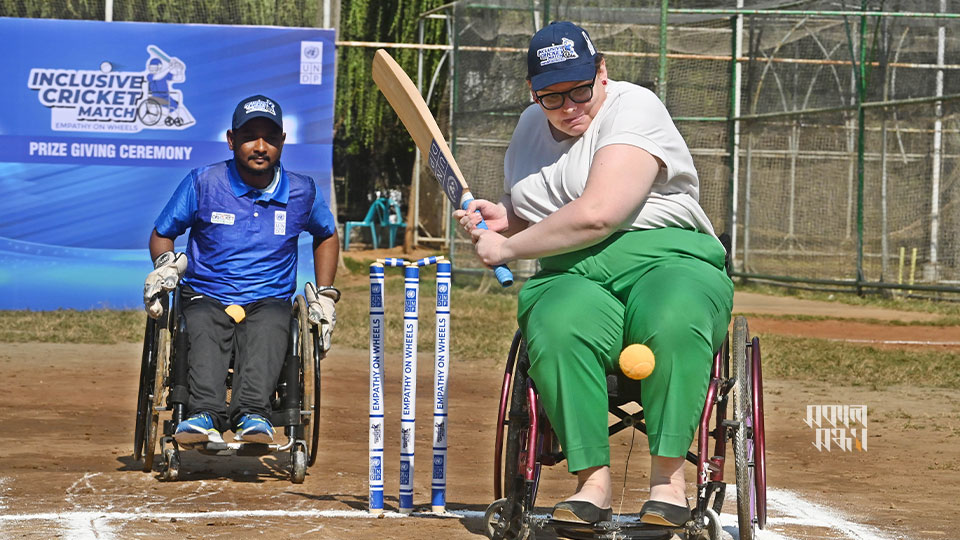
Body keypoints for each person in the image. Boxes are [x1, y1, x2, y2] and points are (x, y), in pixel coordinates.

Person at [455, 22, 733, 527]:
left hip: (668, 258)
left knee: (675, 315)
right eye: (552, 96)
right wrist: (506, 217)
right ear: (532, 92)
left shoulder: (635, 106)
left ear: (602, 72)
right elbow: (545, 207)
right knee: (558, 322)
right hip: (572, 273)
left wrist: (508, 248)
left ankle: (669, 483)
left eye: (580, 89)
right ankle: (591, 485)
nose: (569, 106)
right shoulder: (527, 128)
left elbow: (599, 212)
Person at [143, 94, 340, 446]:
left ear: (282, 141)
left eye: (270, 137)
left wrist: (325, 295)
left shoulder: (302, 191)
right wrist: (164, 268)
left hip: (269, 298)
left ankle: (253, 414)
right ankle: (203, 415)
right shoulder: (204, 182)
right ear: (232, 140)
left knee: (273, 323)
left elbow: (326, 235)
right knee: (201, 321)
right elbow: (162, 234)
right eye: (250, 136)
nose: (260, 146)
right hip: (207, 292)